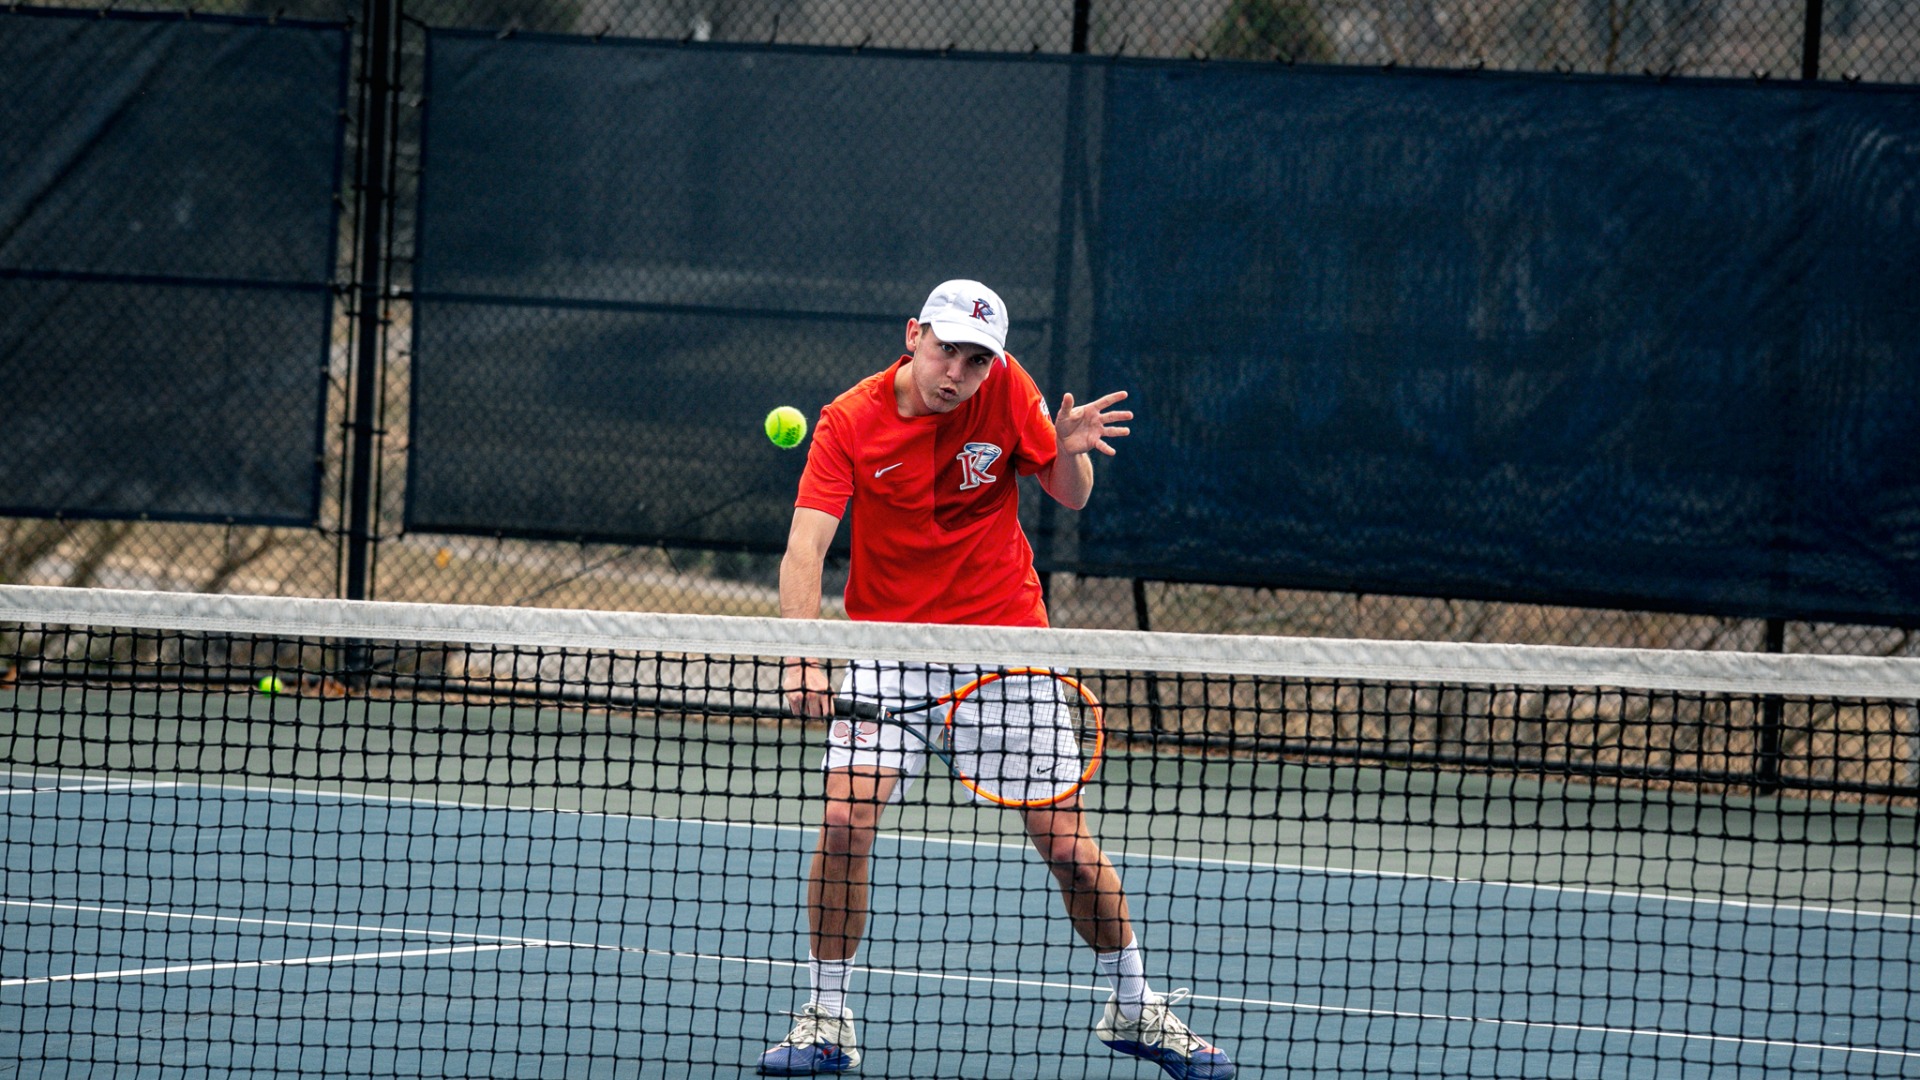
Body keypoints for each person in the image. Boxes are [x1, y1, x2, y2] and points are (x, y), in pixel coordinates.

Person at [758, 280, 1234, 1079]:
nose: (958, 371)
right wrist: (804, 655)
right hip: (890, 651)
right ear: (913, 335)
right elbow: (805, 548)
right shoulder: (849, 420)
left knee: (1070, 853)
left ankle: (1134, 1004)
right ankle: (825, 1018)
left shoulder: (1009, 392)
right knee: (843, 824)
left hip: (1005, 646)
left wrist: (1071, 450)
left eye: (977, 359)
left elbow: (1069, 495)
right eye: (947, 349)